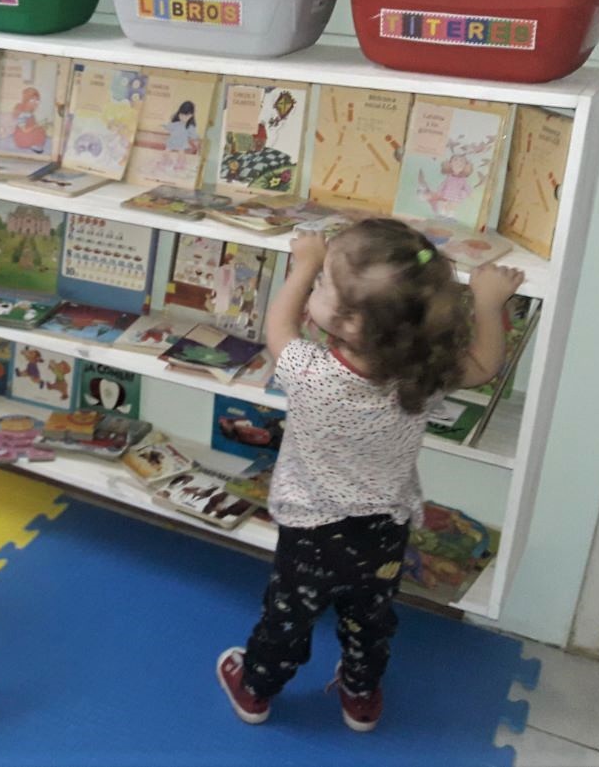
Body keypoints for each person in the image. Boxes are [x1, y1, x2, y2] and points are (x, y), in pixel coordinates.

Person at [215, 217, 524, 733]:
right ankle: (360, 695)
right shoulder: (423, 373)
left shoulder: (310, 372)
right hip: (383, 529)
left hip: (310, 531)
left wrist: (306, 262)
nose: (315, 288)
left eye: (322, 287)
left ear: (352, 322)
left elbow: (277, 328)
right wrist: (490, 305)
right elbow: (485, 363)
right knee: (370, 620)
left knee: (287, 619)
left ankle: (256, 688)